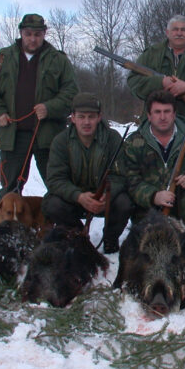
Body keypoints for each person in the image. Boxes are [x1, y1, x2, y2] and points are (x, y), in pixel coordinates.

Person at [0, 13, 78, 199]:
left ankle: (63, 227)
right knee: (10, 191)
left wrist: (50, 108)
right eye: (28, 34)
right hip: (13, 136)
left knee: (58, 188)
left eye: (38, 34)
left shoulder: (58, 60)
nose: (33, 39)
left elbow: (71, 93)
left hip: (48, 136)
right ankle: (9, 227)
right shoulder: (1, 58)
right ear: (21, 33)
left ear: (44, 34)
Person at [41, 93, 133, 254]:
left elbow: (121, 175)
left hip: (104, 199)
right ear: (73, 118)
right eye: (81, 116)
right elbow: (55, 179)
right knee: (52, 205)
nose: (86, 122)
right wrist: (78, 196)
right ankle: (79, 238)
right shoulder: (60, 141)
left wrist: (107, 194)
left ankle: (110, 239)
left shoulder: (112, 139)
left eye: (91, 117)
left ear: (99, 117)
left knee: (124, 202)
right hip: (74, 200)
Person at [119, 90, 185, 235]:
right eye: (157, 112)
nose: (162, 117)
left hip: (181, 205)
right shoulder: (133, 143)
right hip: (148, 210)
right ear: (149, 116)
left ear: (174, 114)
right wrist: (153, 196)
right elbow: (130, 181)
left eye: (167, 111)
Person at [126, 15, 185, 138]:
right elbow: (134, 82)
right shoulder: (151, 54)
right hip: (153, 130)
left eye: (183, 30)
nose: (179, 33)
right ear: (167, 33)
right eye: (175, 29)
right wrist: (160, 83)